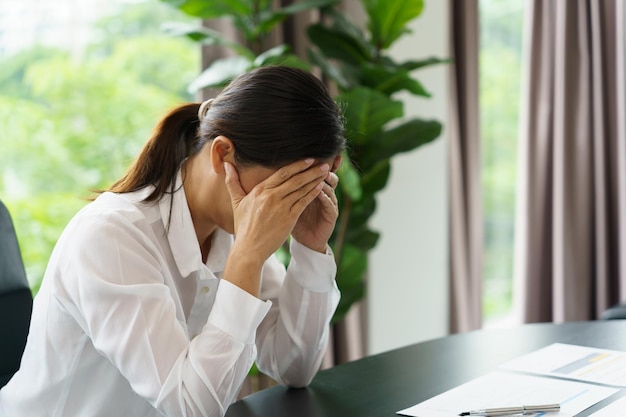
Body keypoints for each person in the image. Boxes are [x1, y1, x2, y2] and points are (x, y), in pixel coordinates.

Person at [0, 65, 345, 417]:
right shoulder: (111, 236)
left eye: (305, 190)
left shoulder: (232, 228)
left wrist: (310, 247)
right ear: (222, 155)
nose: (289, 209)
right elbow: (189, 406)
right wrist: (247, 259)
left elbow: (294, 368)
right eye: (280, 191)